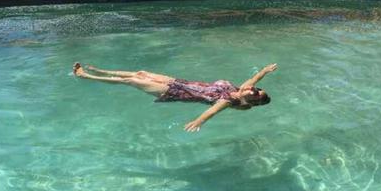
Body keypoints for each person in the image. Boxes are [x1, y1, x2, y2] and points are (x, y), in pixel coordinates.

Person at [73, 62, 277, 132]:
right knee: (140, 73)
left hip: (173, 92)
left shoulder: (229, 100)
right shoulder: (241, 88)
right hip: (178, 82)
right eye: (258, 89)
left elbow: (211, 111)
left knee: (131, 81)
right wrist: (265, 71)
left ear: (252, 101)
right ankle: (101, 70)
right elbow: (254, 77)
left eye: (257, 94)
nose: (255, 90)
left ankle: (86, 76)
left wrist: (198, 122)